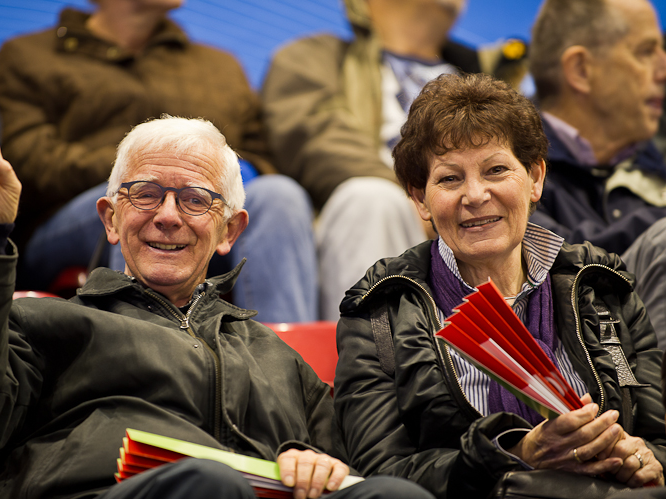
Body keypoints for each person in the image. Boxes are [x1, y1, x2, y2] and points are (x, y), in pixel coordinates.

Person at [0, 99, 433, 499]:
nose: (167, 215)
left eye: (194, 200)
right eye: (145, 193)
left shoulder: (283, 363)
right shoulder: (40, 325)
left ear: (230, 230)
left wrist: (315, 460)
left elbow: (346, 467)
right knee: (210, 486)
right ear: (110, 218)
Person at [333, 73, 666, 499]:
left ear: (535, 178)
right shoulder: (379, 309)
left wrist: (645, 460)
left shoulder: (603, 285)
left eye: (496, 170)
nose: (475, 194)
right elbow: (382, 472)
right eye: (450, 179)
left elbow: (657, 435)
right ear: (420, 199)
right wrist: (517, 453)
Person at [0, 0, 317, 322]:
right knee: (141, 196)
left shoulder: (220, 65)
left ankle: (285, 361)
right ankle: (140, 353)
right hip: (69, 217)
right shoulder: (28, 56)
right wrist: (155, 169)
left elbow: (260, 156)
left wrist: (206, 180)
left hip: (201, 211)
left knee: (280, 194)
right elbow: (29, 162)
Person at [262, 0, 527, 321]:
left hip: (469, 225)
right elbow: (317, 138)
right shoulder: (314, 58)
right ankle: (370, 363)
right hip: (374, 221)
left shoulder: (490, 78)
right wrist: (422, 198)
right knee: (371, 200)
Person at [526, 0, 666, 345]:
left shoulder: (654, 162)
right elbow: (567, 264)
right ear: (581, 71)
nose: (662, 68)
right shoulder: (506, 164)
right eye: (646, 51)